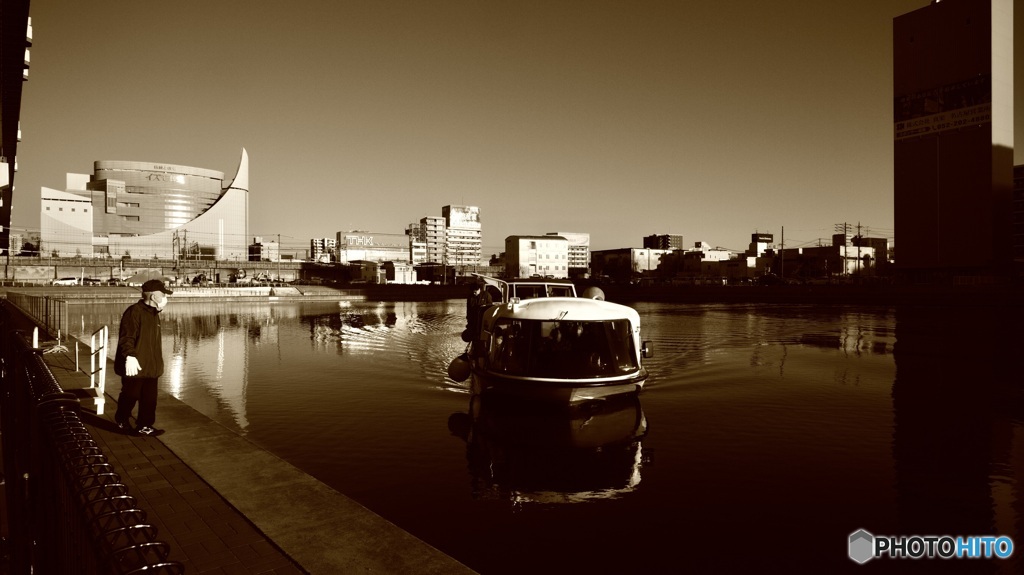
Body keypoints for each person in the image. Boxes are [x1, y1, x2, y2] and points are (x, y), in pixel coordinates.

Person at [113, 279, 172, 436]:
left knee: (149, 399)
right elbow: (126, 338)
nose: (166, 298)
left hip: (151, 366)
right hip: (136, 365)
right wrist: (130, 356)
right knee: (130, 395)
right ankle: (121, 419)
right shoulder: (134, 312)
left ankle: (144, 425)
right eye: (163, 295)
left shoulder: (154, 314)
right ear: (153, 297)